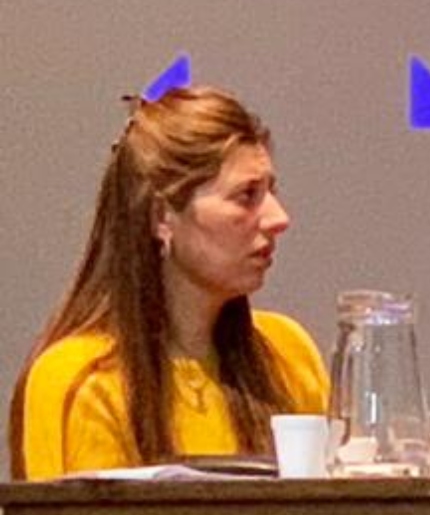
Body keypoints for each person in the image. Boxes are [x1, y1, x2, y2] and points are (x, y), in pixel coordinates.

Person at [8, 87, 328, 480]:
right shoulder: (83, 380)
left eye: (271, 191)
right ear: (162, 216)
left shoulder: (289, 354)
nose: (279, 218)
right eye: (246, 196)